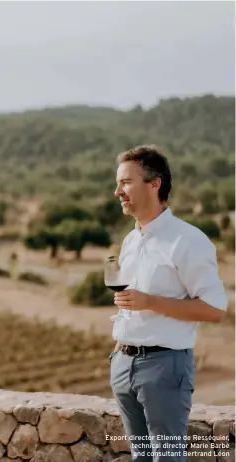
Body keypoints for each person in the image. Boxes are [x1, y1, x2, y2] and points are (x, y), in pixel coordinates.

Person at [109, 145, 228, 462]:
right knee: (141, 457)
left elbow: (215, 309)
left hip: (163, 367)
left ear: (154, 183)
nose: (117, 191)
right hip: (123, 363)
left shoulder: (187, 240)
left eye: (126, 182)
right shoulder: (131, 240)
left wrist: (150, 301)